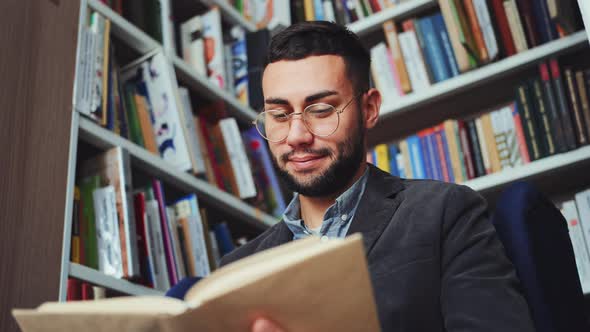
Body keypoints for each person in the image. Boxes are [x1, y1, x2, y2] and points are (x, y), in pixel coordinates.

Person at [220, 21, 535, 331]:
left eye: (321, 110)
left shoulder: (444, 212)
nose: (297, 135)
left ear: (369, 109)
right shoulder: (236, 269)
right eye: (279, 115)